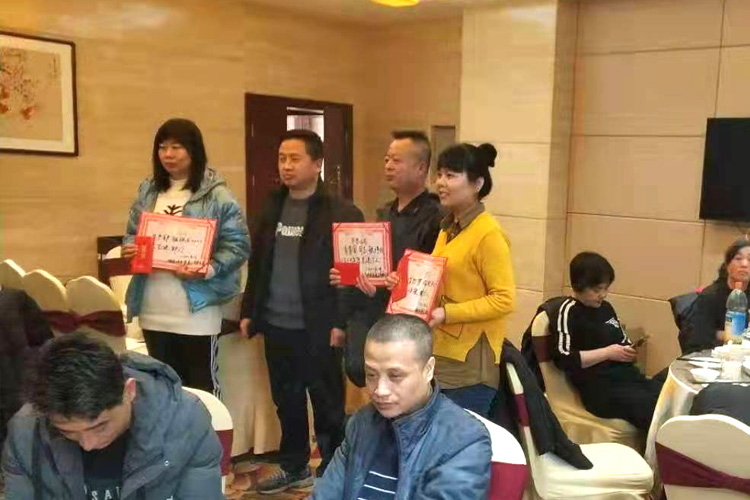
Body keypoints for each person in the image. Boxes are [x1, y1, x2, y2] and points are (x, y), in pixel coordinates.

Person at [239, 129, 364, 493]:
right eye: (282, 159)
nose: (286, 166)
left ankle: (332, 470)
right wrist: (250, 310)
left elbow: (352, 275)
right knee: (286, 401)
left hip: (319, 327)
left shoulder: (341, 212)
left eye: (295, 158)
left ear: (317, 163)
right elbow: (258, 264)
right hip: (276, 324)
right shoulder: (271, 207)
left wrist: (342, 322)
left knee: (327, 404)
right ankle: (294, 465)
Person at [2, 333, 223, 499]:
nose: (88, 444)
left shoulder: (185, 421)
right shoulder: (26, 431)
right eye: (68, 432)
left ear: (129, 391)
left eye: (99, 426)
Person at [121, 118, 250, 396]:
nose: (168, 154)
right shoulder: (148, 190)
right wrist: (131, 248)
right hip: (153, 308)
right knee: (163, 390)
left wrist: (207, 269)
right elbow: (131, 233)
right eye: (162, 147)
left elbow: (238, 245)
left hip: (197, 310)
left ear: (194, 150)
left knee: (202, 390)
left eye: (176, 147)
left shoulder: (217, 195)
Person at [389, 142, 515, 418]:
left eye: (451, 175)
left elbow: (504, 299)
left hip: (470, 362)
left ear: (477, 184)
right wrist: (403, 284)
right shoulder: (448, 228)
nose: (441, 183)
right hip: (441, 352)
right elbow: (437, 279)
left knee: (458, 439)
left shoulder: (488, 233)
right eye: (439, 175)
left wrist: (447, 313)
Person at [311, 314, 491, 499]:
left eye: (395, 376)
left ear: (429, 369)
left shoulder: (464, 439)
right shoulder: (362, 423)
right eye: (371, 375)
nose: (380, 390)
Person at [330, 130, 443, 387]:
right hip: (374, 318)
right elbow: (372, 270)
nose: (389, 166)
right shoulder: (384, 213)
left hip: (409, 328)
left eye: (397, 160)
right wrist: (350, 276)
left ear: (421, 168)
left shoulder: (436, 217)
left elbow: (430, 283)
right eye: (386, 159)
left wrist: (398, 283)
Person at [549, 252, 665, 431]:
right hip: (600, 389)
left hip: (627, 378)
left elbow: (622, 340)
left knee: (668, 395)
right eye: (597, 290)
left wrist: (628, 351)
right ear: (579, 286)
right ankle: (656, 447)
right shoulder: (567, 311)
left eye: (606, 288)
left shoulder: (606, 308)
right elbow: (564, 358)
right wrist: (608, 353)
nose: (603, 295)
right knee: (650, 407)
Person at [682, 238, 750, 354]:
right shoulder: (710, 296)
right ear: (727, 265)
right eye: (738, 258)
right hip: (714, 356)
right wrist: (726, 336)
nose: (744, 264)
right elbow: (696, 336)